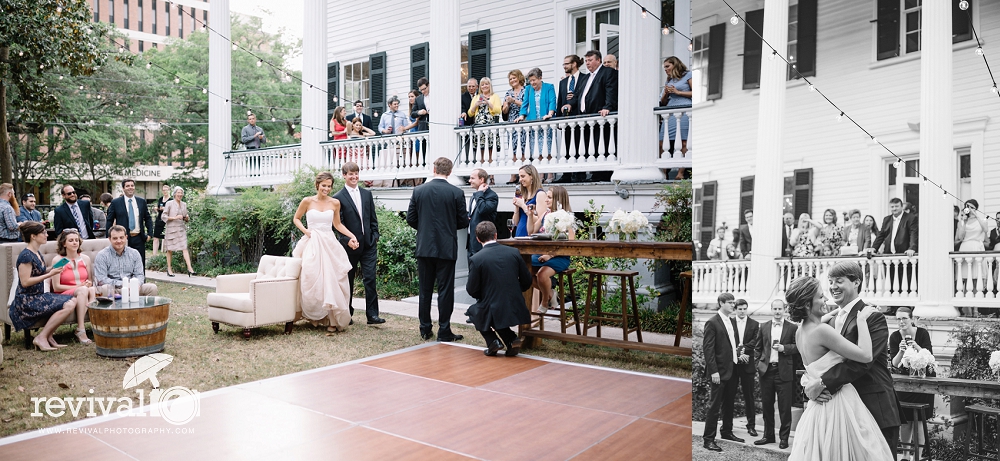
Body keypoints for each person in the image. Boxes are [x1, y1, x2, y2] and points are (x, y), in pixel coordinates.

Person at [789, 274, 895, 460]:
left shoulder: (800, 331)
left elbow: (814, 366)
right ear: (807, 304)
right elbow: (865, 356)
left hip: (817, 409)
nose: (827, 299)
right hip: (838, 403)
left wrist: (834, 314)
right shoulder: (822, 330)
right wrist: (861, 320)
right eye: (821, 297)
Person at [406, 157, 470, 342]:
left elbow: (411, 218)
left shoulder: (418, 190)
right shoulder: (456, 192)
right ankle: (444, 330)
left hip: (425, 246)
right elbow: (463, 221)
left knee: (425, 290)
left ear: (434, 169)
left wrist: (425, 228)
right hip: (446, 247)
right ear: (450, 172)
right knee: (445, 290)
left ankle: (425, 328)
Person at [292, 172, 357, 332]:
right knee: (311, 276)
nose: (326, 189)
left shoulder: (335, 203)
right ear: (317, 185)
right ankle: (314, 316)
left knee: (331, 279)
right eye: (324, 186)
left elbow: (338, 224)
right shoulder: (307, 201)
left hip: (329, 243)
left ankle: (332, 320)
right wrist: (306, 231)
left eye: (329, 186)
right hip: (312, 242)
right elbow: (296, 218)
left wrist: (352, 235)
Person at [8, 222, 80, 351]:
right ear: (33, 236)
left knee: (73, 300)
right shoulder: (26, 255)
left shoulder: (36, 252)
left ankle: (48, 336)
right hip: (27, 300)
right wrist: (50, 274)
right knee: (69, 304)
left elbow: (39, 271)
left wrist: (54, 268)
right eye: (43, 232)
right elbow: (25, 282)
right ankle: (41, 337)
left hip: (38, 296)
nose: (47, 234)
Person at [465, 221, 532, 357]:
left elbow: (472, 289)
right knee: (492, 312)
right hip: (515, 302)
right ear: (496, 235)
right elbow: (527, 280)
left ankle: (492, 341)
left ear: (478, 239)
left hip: (493, 304)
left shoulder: (476, 259)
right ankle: (512, 340)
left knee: (474, 311)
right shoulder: (513, 252)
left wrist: (483, 296)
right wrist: (516, 291)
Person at [333, 163, 385, 325]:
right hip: (349, 247)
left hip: (369, 245)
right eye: (350, 174)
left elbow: (372, 219)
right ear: (344, 175)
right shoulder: (337, 198)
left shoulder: (366, 194)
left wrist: (375, 236)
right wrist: (347, 240)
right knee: (348, 280)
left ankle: (372, 315)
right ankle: (347, 313)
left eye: (356, 174)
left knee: (370, 279)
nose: (354, 177)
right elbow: (337, 224)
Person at [889, 307, 934, 461]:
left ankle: (919, 456)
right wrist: (901, 352)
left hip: (923, 383)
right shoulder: (894, 337)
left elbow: (929, 358)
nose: (901, 322)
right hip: (904, 384)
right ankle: (906, 456)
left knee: (920, 420)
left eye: (904, 318)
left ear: (911, 319)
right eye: (898, 319)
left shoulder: (922, 333)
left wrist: (917, 347)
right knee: (905, 419)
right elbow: (894, 364)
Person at [753, 299, 799, 448]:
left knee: (785, 407)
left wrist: (784, 348)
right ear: (771, 310)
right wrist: (758, 365)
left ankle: (784, 438)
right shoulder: (764, 326)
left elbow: (797, 347)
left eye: (780, 309)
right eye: (775, 309)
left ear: (784, 309)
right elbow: (758, 347)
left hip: (784, 371)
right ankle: (768, 436)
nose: (778, 311)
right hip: (766, 371)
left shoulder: (792, 327)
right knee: (767, 405)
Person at [702, 293, 743, 452]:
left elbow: (732, 345)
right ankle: (708, 440)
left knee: (729, 403)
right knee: (714, 406)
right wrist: (714, 372)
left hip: (733, 369)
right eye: (730, 303)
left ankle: (726, 432)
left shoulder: (731, 321)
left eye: (734, 302)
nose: (733, 305)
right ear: (721, 303)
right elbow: (708, 349)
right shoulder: (712, 322)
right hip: (718, 372)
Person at [530, 186, 573, 313]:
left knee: (542, 274)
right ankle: (550, 294)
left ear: (558, 199)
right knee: (523, 271)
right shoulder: (546, 214)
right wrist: (529, 215)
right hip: (542, 254)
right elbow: (531, 231)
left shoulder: (566, 217)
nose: (546, 200)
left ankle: (544, 302)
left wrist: (550, 255)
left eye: (549, 197)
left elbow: (570, 242)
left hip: (559, 256)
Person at [50, 228, 96, 344]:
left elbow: (90, 280)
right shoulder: (60, 260)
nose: (75, 242)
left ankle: (92, 307)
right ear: (63, 243)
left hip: (83, 291)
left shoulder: (85, 259)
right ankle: (81, 329)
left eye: (76, 240)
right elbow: (56, 287)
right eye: (71, 240)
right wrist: (79, 286)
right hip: (63, 293)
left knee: (90, 288)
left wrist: (87, 283)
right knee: (83, 290)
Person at [93, 225, 158, 296]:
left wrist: (136, 284)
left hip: (132, 287)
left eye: (121, 237)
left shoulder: (134, 253)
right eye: (115, 238)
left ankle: (144, 307)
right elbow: (101, 279)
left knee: (152, 288)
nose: (119, 241)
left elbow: (139, 275)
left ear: (126, 237)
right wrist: (124, 284)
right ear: (109, 239)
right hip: (114, 289)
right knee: (105, 288)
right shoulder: (102, 255)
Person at [105, 179, 154, 269]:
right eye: (127, 186)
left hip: (139, 237)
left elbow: (148, 218)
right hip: (123, 239)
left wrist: (150, 234)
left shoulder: (141, 201)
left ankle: (140, 282)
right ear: (123, 188)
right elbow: (109, 220)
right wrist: (108, 237)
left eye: (132, 185)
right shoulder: (116, 203)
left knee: (140, 264)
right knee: (124, 264)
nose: (130, 188)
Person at [515, 68, 557, 165]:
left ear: (540, 78)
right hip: (534, 124)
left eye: (534, 80)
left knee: (548, 149)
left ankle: (550, 175)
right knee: (537, 150)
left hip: (546, 122)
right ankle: (541, 175)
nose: (532, 82)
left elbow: (552, 101)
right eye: (530, 80)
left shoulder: (549, 87)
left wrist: (550, 114)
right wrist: (522, 116)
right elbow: (525, 104)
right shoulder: (528, 89)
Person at [732, 299, 759, 438]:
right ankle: (727, 426)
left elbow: (755, 341)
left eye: (744, 309)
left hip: (747, 364)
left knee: (749, 396)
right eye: (740, 309)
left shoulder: (755, 324)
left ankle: (751, 426)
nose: (742, 311)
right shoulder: (729, 322)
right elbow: (728, 341)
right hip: (732, 365)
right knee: (729, 395)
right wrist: (737, 354)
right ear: (735, 309)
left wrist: (742, 351)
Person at [660, 56, 692, 157]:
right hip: (670, 112)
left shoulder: (688, 75)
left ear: (675, 65)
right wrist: (665, 93)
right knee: (662, 142)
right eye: (664, 67)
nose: (665, 69)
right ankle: (664, 172)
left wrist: (678, 92)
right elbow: (663, 102)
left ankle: (681, 172)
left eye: (667, 66)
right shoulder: (669, 81)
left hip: (684, 112)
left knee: (683, 141)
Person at [161, 187, 196, 277]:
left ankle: (190, 268)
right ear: (174, 194)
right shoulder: (169, 203)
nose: (180, 194)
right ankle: (169, 269)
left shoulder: (184, 204)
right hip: (171, 229)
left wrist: (186, 218)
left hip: (181, 228)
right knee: (170, 250)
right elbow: (163, 216)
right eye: (178, 193)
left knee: (184, 247)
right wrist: (174, 218)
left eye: (181, 193)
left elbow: (185, 217)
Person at [468, 77, 502, 164]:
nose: (484, 86)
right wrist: (475, 105)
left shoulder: (495, 96)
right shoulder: (476, 97)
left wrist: (488, 102)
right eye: (482, 84)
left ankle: (491, 176)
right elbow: (470, 113)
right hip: (479, 126)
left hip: (490, 126)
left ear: (490, 85)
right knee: (481, 150)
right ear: (480, 87)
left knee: (491, 150)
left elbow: (498, 110)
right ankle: (482, 174)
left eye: (486, 84)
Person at [467, 168, 498, 264]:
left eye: (472, 178)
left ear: (481, 180)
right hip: (471, 242)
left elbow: (483, 210)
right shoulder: (474, 195)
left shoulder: (492, 196)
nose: (469, 181)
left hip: (482, 243)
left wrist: (479, 193)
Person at [503, 69, 527, 184]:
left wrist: (514, 101)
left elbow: (528, 104)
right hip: (512, 122)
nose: (512, 80)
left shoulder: (526, 90)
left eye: (514, 78)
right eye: (510, 79)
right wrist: (507, 104)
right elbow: (504, 110)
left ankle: (522, 176)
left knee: (522, 149)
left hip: (523, 121)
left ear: (519, 77)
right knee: (513, 149)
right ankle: (513, 176)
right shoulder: (508, 92)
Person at [512, 164, 545, 238]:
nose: (520, 180)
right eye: (519, 177)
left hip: (530, 237)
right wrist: (517, 206)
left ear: (531, 176)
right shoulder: (523, 195)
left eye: (523, 176)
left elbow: (541, 220)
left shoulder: (540, 194)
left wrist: (523, 206)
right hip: (519, 236)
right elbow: (514, 223)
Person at [152, 184, 171, 256]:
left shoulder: (171, 200)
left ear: (169, 191)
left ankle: (166, 255)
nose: (164, 191)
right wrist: (157, 208)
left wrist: (165, 209)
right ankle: (154, 255)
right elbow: (159, 207)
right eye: (163, 190)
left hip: (166, 220)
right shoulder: (160, 199)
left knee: (166, 238)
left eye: (166, 190)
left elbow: (172, 210)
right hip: (159, 219)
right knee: (155, 237)